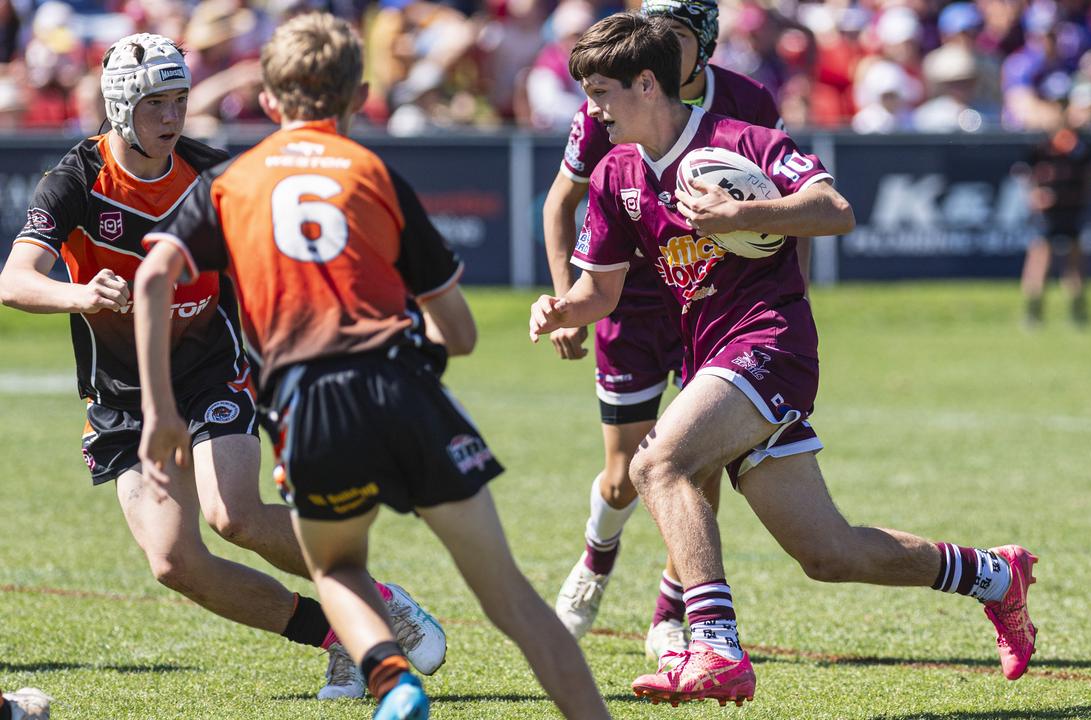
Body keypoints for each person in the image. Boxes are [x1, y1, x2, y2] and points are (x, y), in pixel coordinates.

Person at [531, 12, 1040, 705]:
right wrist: (562, 307)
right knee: (829, 554)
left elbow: (835, 210)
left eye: (600, 93)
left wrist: (739, 218)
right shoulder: (616, 172)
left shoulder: (743, 140)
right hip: (713, 353)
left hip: (771, 343)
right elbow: (601, 290)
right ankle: (995, 576)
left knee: (658, 463)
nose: (590, 110)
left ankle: (713, 647)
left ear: (646, 84)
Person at [132, 13, 611, 720]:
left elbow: (151, 280)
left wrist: (161, 411)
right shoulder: (375, 174)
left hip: (307, 405)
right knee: (509, 595)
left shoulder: (231, 182)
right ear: (359, 96)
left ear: (269, 102)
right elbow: (461, 332)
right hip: (401, 384)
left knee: (340, 569)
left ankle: (394, 677)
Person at [0, 32, 445, 700]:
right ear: (122, 107)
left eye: (179, 101)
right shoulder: (74, 182)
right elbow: (14, 279)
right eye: (156, 104)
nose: (173, 117)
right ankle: (338, 636)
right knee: (175, 563)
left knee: (231, 513)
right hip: (123, 394)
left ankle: (380, 605)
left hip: (210, 368)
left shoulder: (212, 175)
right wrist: (79, 293)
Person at [542, 0, 797, 660]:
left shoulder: (746, 102)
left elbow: (782, 203)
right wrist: (565, 299)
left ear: (703, 42)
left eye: (675, 35)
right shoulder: (610, 98)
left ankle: (671, 611)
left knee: (692, 456)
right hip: (625, 297)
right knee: (625, 475)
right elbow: (560, 204)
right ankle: (597, 560)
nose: (660, 44)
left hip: (713, 301)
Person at [1019, 97, 1091, 327]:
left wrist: (1081, 198)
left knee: (1075, 260)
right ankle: (1033, 311)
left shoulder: (1079, 143)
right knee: (1040, 256)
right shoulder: (1040, 143)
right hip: (1047, 213)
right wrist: (1035, 195)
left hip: (1072, 209)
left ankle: (1078, 310)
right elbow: (1025, 173)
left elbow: (1089, 174)